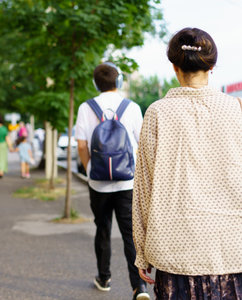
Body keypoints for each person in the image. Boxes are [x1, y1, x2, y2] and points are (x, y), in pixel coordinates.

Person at [133, 27, 242, 299]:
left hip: (175, 249)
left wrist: (141, 252)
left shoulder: (157, 113)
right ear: (212, 66)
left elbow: (143, 188)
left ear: (174, 67)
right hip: (230, 246)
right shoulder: (236, 109)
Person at [75, 62, 148, 299]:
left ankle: (104, 278)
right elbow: (143, 145)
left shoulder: (87, 108)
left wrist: (90, 170)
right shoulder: (132, 107)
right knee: (130, 233)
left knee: (102, 229)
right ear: (118, 82)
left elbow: (82, 145)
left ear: (95, 83)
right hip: (127, 182)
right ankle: (139, 287)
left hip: (98, 184)